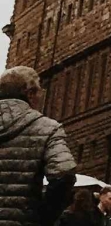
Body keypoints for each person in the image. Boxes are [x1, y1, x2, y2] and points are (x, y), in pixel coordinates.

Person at [0, 66, 77, 226]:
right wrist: (44, 216)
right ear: (30, 93)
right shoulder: (47, 128)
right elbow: (64, 174)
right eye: (40, 92)